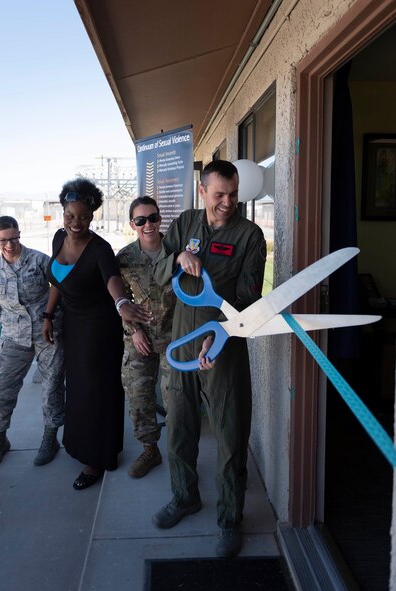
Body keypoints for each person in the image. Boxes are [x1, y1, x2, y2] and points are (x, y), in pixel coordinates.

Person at [152, 160, 266, 558]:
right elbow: (158, 270)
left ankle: (230, 519)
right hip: (184, 341)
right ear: (202, 191)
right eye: (219, 195)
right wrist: (178, 259)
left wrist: (217, 334)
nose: (227, 202)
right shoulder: (184, 223)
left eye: (233, 195)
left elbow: (250, 298)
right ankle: (184, 497)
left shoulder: (250, 235)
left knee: (230, 433)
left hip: (225, 346)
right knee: (179, 425)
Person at [42, 178, 152, 491]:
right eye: (70, 216)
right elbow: (57, 283)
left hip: (99, 327)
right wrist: (48, 316)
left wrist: (121, 304)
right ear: (63, 213)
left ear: (93, 216)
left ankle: (98, 457)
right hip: (73, 326)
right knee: (77, 388)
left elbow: (113, 280)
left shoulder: (100, 248)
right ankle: (78, 445)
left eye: (84, 217)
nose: (76, 223)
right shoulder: (57, 238)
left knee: (97, 391)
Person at [0, 216, 66, 468]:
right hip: (13, 336)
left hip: (47, 333)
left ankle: (50, 438)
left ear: (19, 234)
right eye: (3, 240)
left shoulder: (39, 261)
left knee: (52, 388)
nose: (9, 245)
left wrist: (51, 317)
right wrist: (10, 321)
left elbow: (60, 288)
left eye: (13, 238)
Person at [117, 197, 176, 478]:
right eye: (140, 220)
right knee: (139, 397)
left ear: (160, 218)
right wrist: (134, 330)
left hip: (173, 339)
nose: (147, 225)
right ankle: (150, 450)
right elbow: (120, 301)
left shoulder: (176, 252)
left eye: (152, 218)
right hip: (139, 340)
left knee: (177, 400)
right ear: (132, 224)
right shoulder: (125, 258)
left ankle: (180, 452)